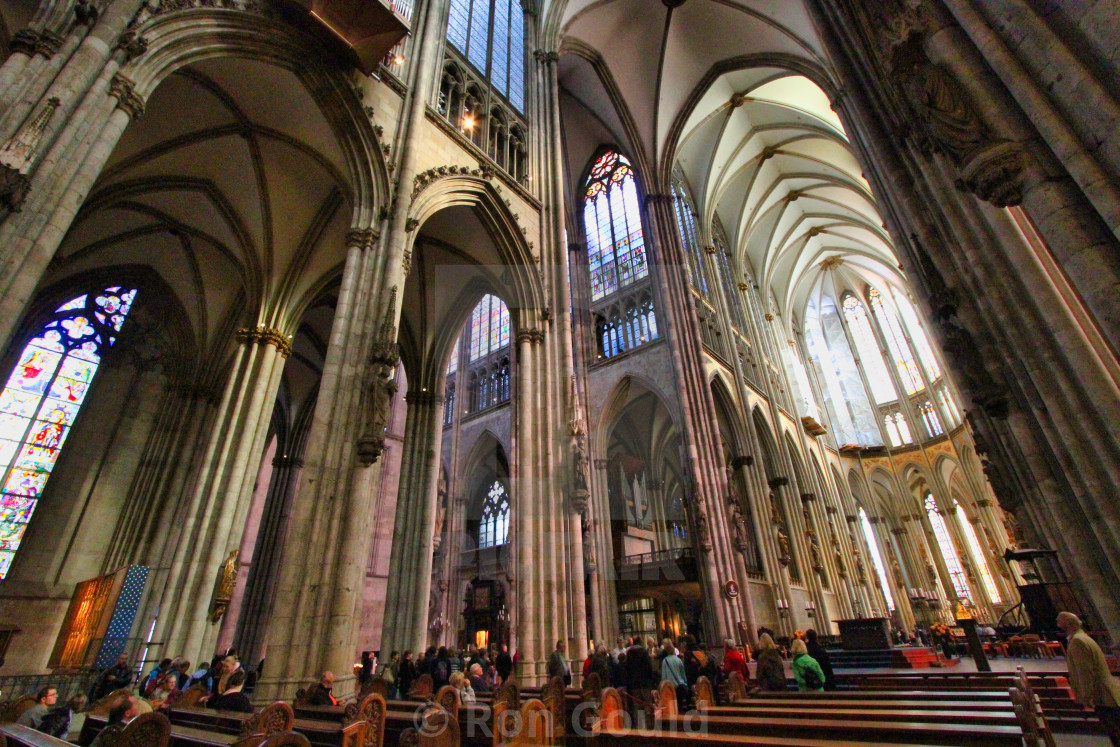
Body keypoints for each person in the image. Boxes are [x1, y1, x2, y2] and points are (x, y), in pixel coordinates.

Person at [1058, 612, 1120, 745]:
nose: (1057, 622)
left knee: (1115, 731)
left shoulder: (1078, 641)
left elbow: (1085, 672)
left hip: (1102, 694)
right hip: (1105, 692)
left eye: (1060, 620)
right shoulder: (1082, 637)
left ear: (1068, 624)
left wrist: (1087, 696)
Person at [660, 639, 689, 712]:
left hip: (670, 686)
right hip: (679, 685)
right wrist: (685, 683)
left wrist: (663, 687)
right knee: (680, 706)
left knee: (672, 707)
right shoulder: (678, 660)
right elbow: (683, 673)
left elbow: (664, 676)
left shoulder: (665, 661)